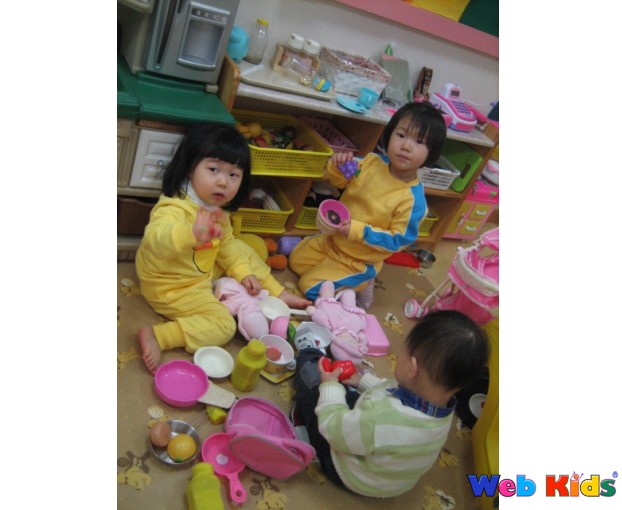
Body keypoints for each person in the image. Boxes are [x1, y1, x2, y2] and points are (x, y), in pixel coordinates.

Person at [135, 122, 310, 374]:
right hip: (170, 285)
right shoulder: (174, 207)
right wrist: (192, 233)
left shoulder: (218, 210)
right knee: (224, 326)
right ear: (190, 168)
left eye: (233, 175)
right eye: (213, 169)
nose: (222, 182)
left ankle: (278, 293)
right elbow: (155, 241)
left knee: (241, 248)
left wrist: (244, 274)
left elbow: (227, 246)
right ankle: (160, 335)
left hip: (200, 270)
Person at [291, 309, 489, 498]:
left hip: (349, 473)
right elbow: (392, 391)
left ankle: (309, 353)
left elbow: (334, 431)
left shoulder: (379, 415)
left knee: (314, 388)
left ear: (411, 369)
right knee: (350, 397)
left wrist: (330, 387)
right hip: (388, 478)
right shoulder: (441, 406)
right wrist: (361, 381)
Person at [289, 101, 446, 308]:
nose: (406, 146)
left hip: (359, 260)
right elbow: (340, 181)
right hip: (333, 241)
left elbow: (398, 241)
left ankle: (361, 282)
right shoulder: (371, 162)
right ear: (389, 135)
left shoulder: (413, 200)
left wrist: (358, 231)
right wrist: (337, 165)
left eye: (419, 141)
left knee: (309, 287)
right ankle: (337, 275)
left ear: (431, 153)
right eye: (401, 135)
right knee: (295, 261)